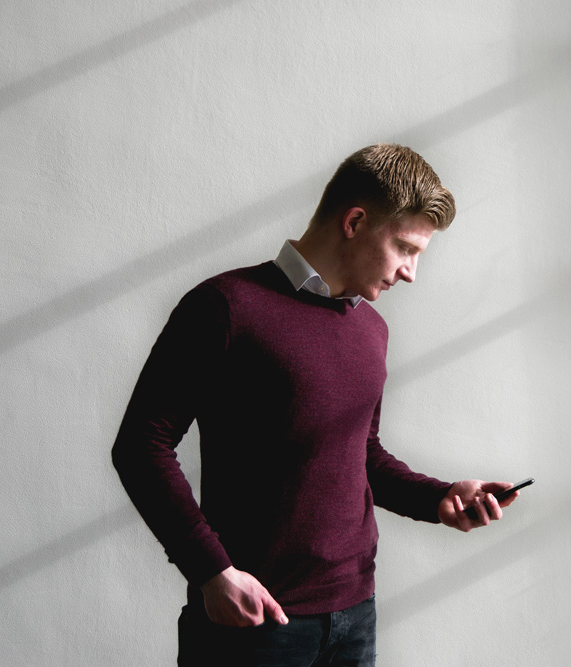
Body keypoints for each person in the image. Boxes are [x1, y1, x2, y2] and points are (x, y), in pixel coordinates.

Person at [112, 143, 521, 666]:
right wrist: (212, 572)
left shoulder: (371, 329)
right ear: (354, 221)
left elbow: (361, 452)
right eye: (405, 248)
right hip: (253, 626)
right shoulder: (226, 307)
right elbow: (141, 446)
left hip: (355, 617)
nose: (411, 272)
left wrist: (437, 498)